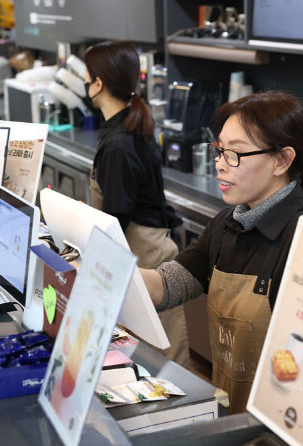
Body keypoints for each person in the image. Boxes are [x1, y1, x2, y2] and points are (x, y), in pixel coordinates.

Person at [140, 90, 303, 414]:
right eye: (219, 151)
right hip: (232, 415)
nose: (220, 165)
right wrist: (102, 269)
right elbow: (168, 284)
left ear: (282, 160)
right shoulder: (229, 222)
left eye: (236, 154)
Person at [83, 41, 189, 368]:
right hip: (142, 246)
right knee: (146, 350)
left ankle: (186, 419)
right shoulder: (127, 123)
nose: (85, 85)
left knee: (165, 356)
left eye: (87, 78)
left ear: (98, 84)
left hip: (146, 252)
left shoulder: (119, 144)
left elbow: (116, 217)